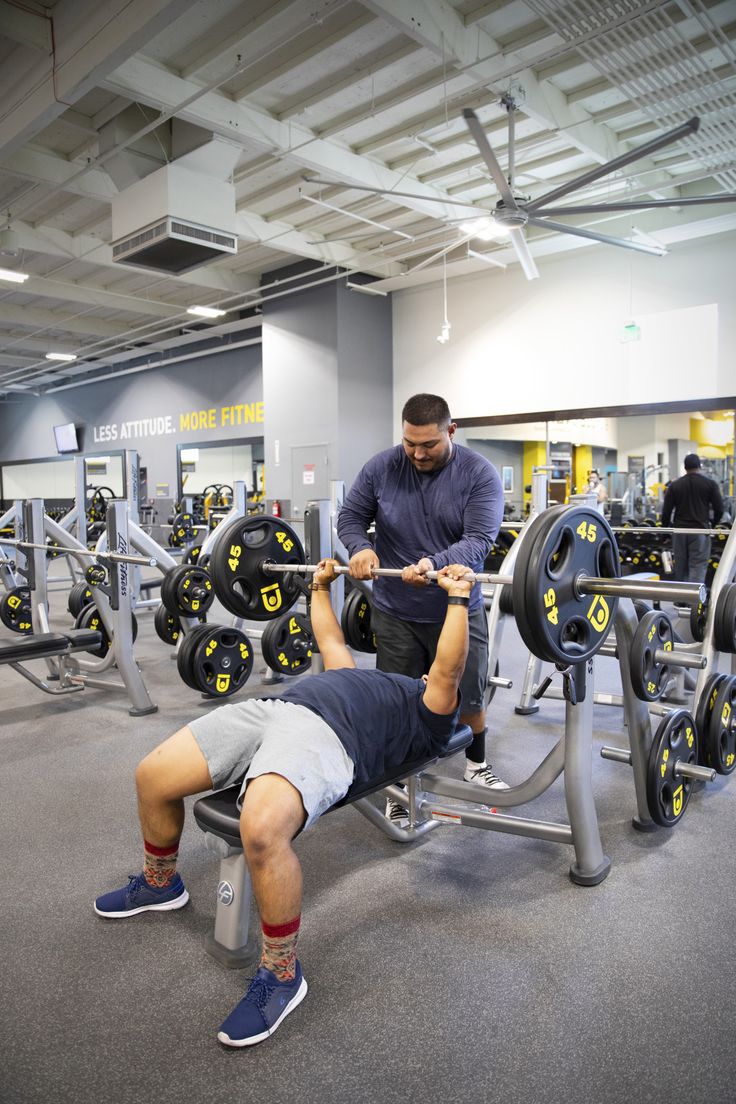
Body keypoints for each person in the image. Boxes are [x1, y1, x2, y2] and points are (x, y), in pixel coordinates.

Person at [94, 558, 472, 1048]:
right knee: (152, 775)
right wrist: (318, 587)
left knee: (261, 828)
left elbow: (449, 668)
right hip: (273, 711)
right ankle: (160, 883)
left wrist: (457, 599)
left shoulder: (430, 714)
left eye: (431, 676)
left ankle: (281, 974)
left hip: (329, 739)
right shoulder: (367, 679)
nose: (424, 673)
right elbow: (333, 641)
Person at [336, 392, 506, 828]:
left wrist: (432, 564)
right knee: (400, 697)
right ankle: (400, 786)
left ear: (451, 431)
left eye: (428, 445)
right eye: (410, 443)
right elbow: (351, 517)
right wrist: (362, 548)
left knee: (468, 692)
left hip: (456, 604)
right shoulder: (383, 466)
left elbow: (480, 540)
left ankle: (476, 764)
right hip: (395, 608)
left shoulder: (478, 474)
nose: (416, 453)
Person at [661, 453, 724, 584]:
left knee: (680, 566)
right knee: (698, 566)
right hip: (700, 531)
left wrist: (665, 533)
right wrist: (713, 523)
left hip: (680, 532)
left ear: (685, 467)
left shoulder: (675, 485)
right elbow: (719, 509)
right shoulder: (710, 484)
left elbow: (666, 511)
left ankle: (680, 600)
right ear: (699, 466)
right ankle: (694, 603)